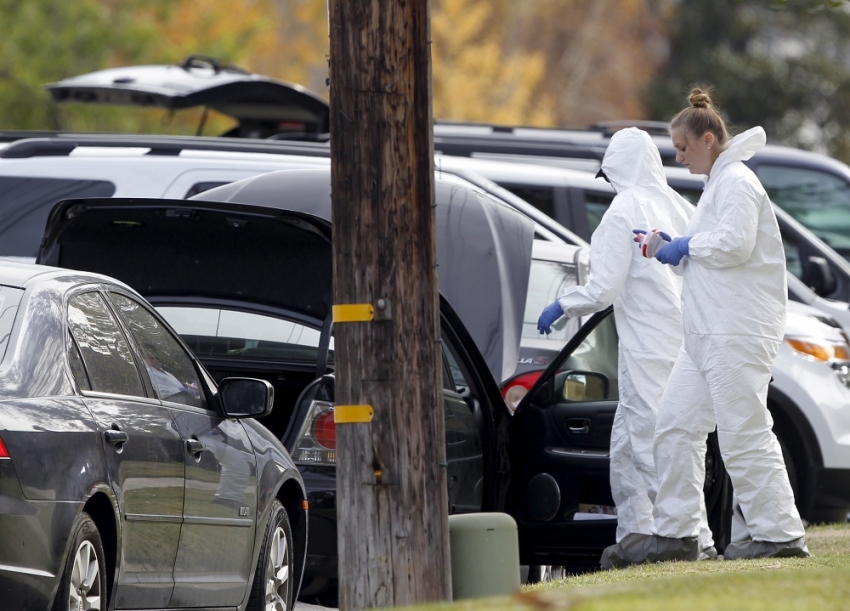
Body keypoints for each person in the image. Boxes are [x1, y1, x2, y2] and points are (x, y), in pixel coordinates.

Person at [638, 88, 808, 561]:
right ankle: (680, 536)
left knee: (744, 433)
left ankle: (779, 536)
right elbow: (710, 252)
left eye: (683, 147)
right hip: (706, 335)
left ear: (708, 138)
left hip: (737, 332)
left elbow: (732, 245)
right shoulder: (718, 184)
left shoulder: (737, 182)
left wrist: (686, 246)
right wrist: (667, 247)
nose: (679, 157)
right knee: (674, 426)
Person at [537, 127, 715, 568]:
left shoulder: (621, 212)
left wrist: (563, 303)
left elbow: (602, 288)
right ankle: (639, 534)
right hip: (686, 340)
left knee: (652, 442)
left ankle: (687, 539)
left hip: (648, 346)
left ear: (617, 168)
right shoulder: (678, 205)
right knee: (641, 443)